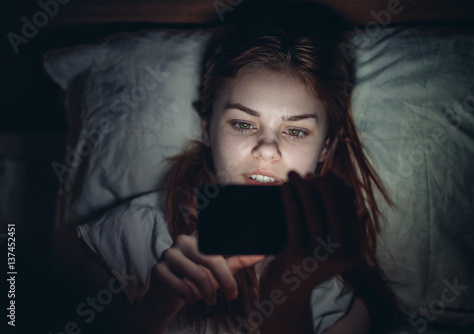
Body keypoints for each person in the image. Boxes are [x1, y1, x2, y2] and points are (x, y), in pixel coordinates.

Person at [72, 2, 398, 333]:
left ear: (325, 146)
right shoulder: (132, 235)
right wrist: (155, 308)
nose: (267, 149)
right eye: (243, 124)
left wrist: (287, 296)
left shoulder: (343, 287)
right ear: (206, 128)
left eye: (296, 131)